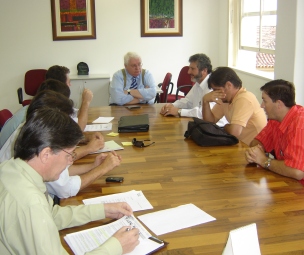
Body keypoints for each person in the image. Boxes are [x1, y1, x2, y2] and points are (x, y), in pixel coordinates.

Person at [0, 107, 139, 254]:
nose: (70, 162)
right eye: (68, 155)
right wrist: (116, 247)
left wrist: (103, 210)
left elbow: (52, 215)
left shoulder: (10, 169)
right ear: (46, 154)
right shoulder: (31, 204)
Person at [0, 90, 120, 199]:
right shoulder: (40, 144)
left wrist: (93, 166)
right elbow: (65, 189)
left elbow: (63, 172)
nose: (71, 160)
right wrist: (102, 169)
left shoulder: (33, 130)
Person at [245, 79, 304, 183]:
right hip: (288, 183)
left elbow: (297, 172)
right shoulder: (275, 120)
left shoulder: (300, 125)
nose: (261, 105)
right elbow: (257, 142)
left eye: (265, 100)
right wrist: (255, 152)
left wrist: (263, 161)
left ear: (279, 104)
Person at [202, 67, 267, 145]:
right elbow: (210, 122)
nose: (215, 93)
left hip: (253, 149)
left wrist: (225, 126)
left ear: (229, 85)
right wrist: (205, 102)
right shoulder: (226, 98)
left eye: (217, 90)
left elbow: (234, 132)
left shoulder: (244, 99)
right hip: (240, 145)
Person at [160, 53, 227, 126]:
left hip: (216, 129)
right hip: (202, 125)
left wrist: (179, 111)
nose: (188, 72)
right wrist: (171, 106)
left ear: (204, 70)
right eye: (189, 68)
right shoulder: (198, 83)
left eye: (192, 69)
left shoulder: (213, 86)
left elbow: (202, 113)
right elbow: (187, 101)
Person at [46, 65, 93, 131]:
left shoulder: (49, 96)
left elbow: (74, 114)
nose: (70, 85)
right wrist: (86, 102)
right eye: (68, 82)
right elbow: (78, 129)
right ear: (62, 85)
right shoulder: (54, 104)